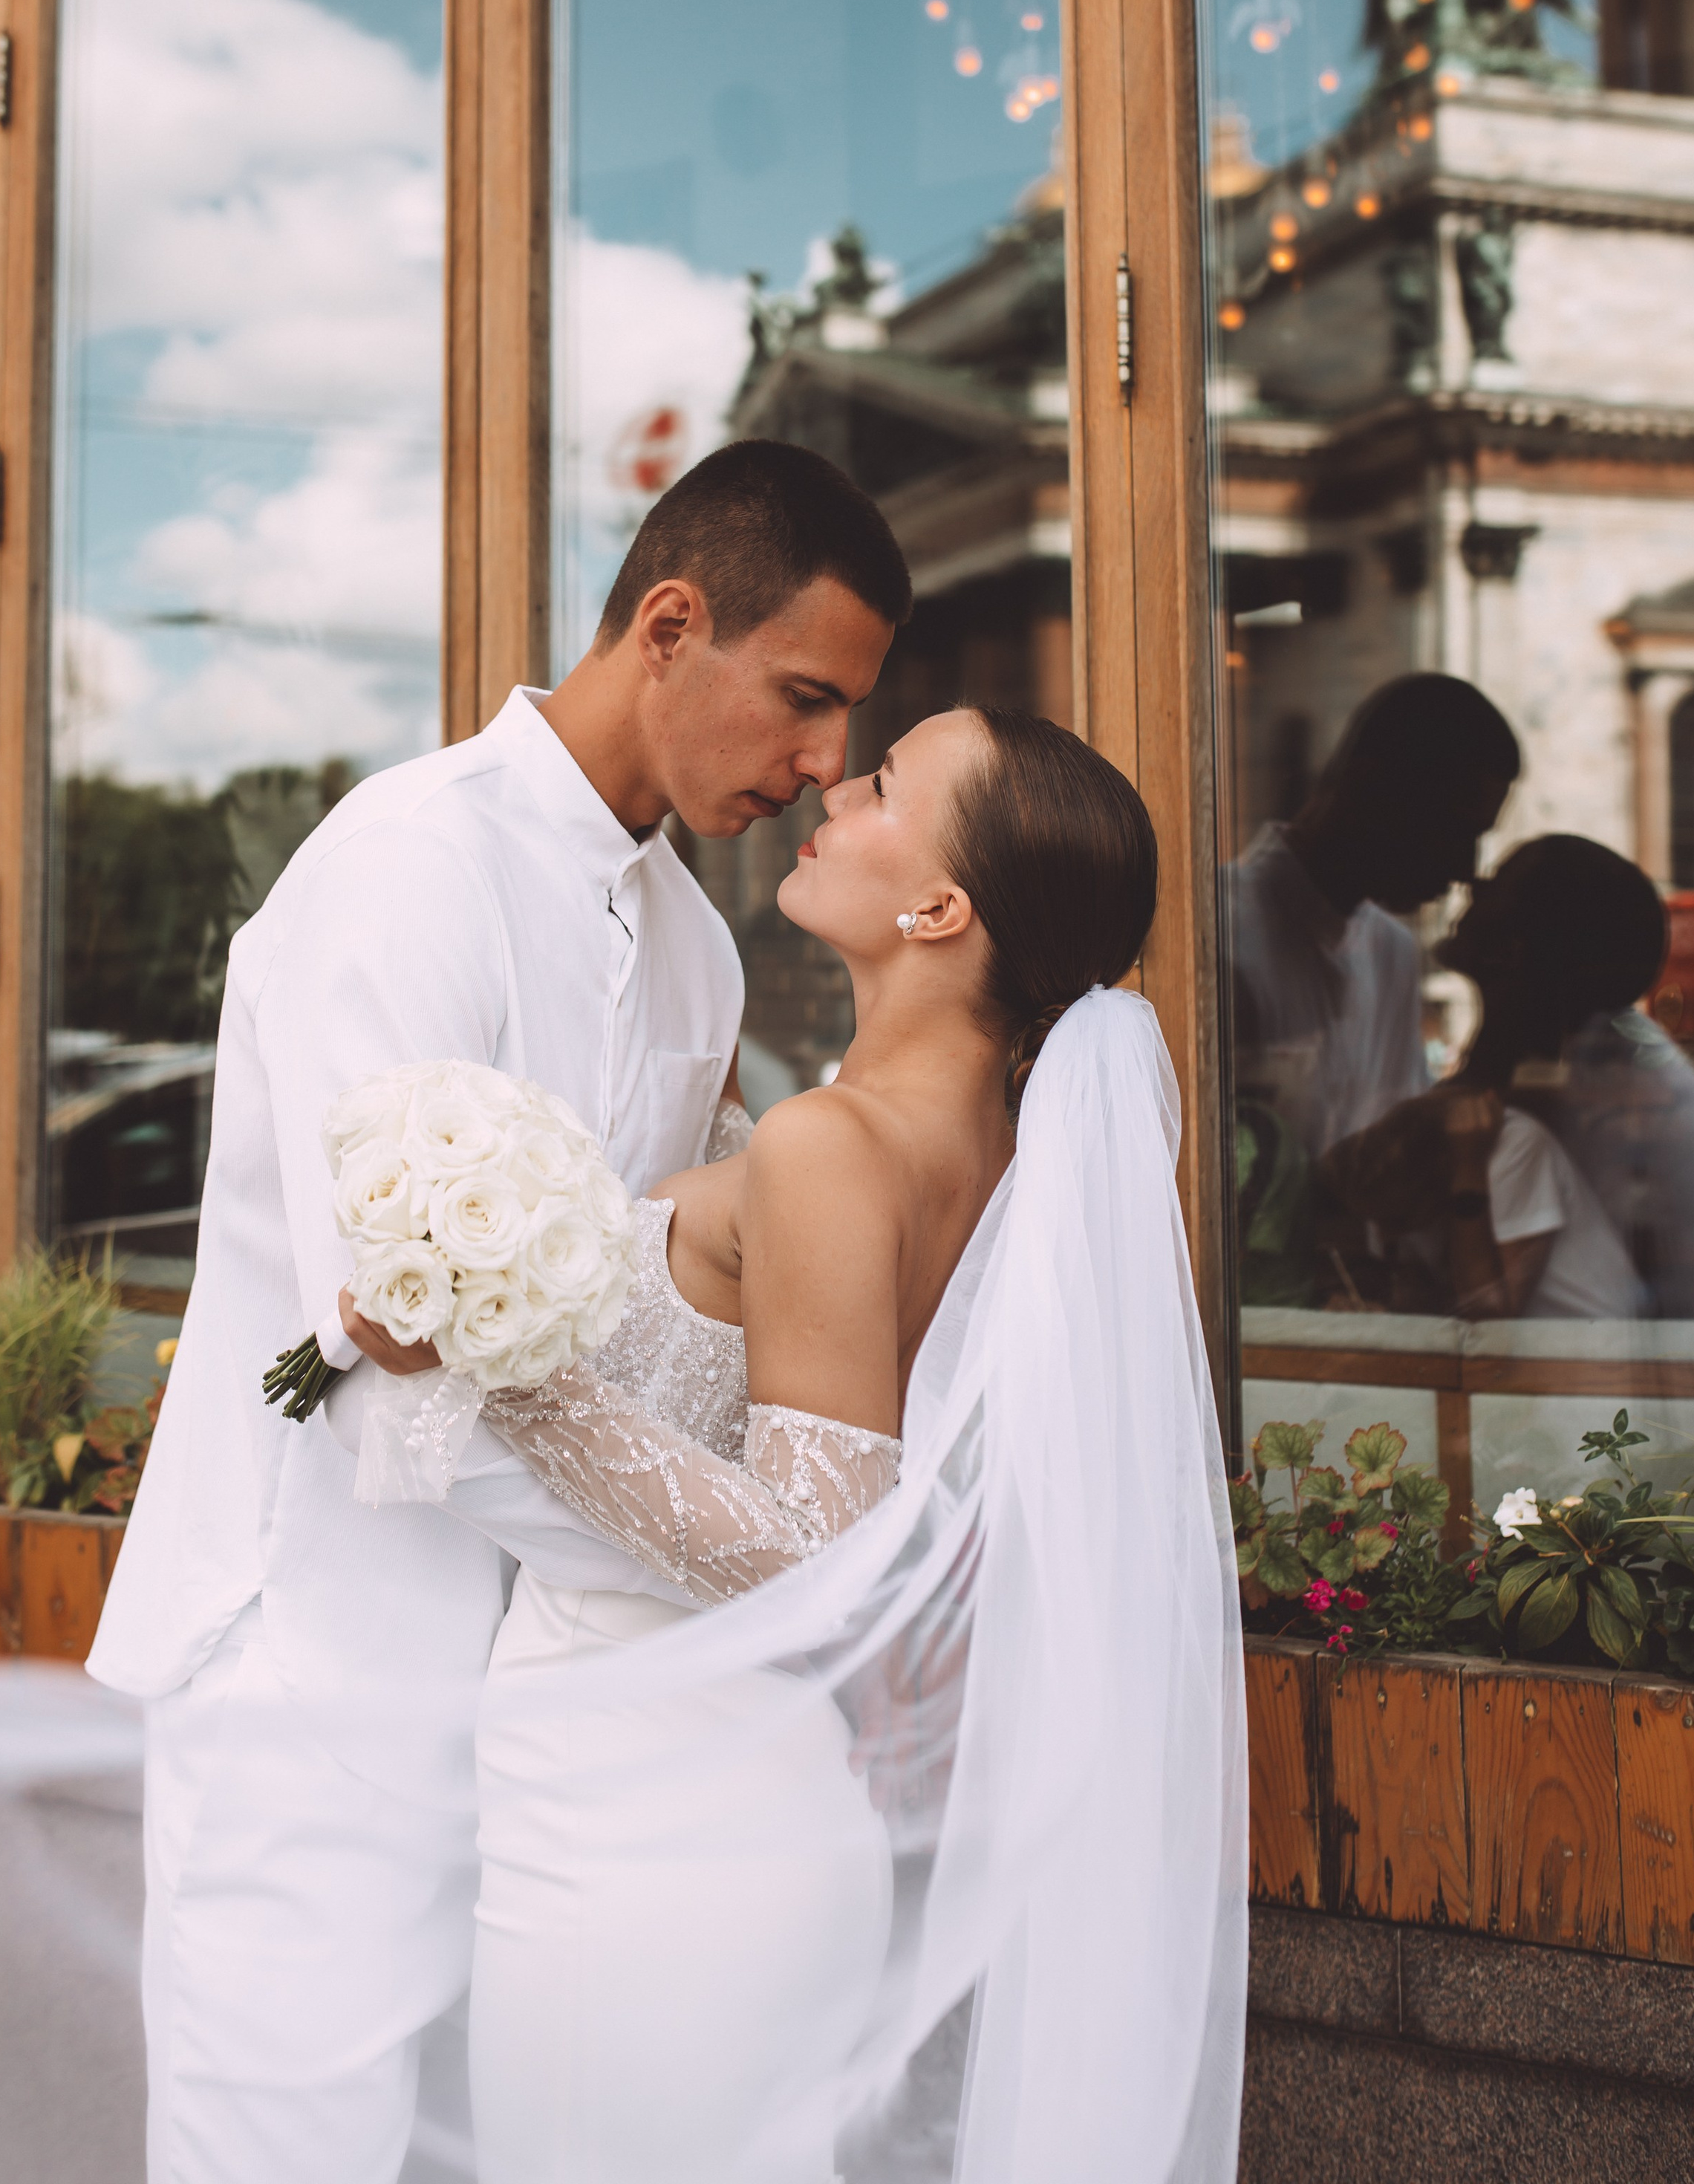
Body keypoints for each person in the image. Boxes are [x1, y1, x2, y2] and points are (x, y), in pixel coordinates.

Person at [84, 438, 913, 2184]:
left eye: (846, 719)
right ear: (668, 625)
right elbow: (388, 1354)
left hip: (553, 1715)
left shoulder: (694, 947)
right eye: (803, 698)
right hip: (317, 1658)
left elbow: (658, 1336)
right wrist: (743, 1568)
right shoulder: (406, 864)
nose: (823, 763)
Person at [391, 707, 1245, 2181]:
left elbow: (817, 1555)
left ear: (939, 909)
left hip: (659, 1813)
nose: (833, 791)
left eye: (884, 784)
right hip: (732, 1798)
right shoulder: (983, 1152)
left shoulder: (835, 1146)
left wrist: (500, 1353)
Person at [1227, 672, 1519, 1301]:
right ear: (1370, 788)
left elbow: (1394, 1173)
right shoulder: (1222, 934)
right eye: (1455, 830)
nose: (1464, 868)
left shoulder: (1392, 953)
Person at [1317, 834, 1664, 1320]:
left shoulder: (1511, 1127)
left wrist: (1465, 1168)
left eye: (1495, 885)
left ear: (1509, 952)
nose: (1470, 884)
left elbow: (1486, 1311)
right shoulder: (1501, 1098)